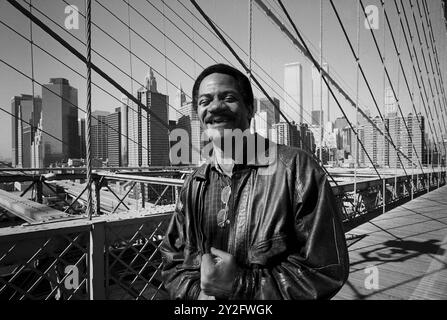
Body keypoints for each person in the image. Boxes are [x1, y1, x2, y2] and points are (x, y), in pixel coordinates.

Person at [160, 63, 349, 300]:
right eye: (204, 101)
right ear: (197, 114)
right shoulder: (194, 183)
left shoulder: (296, 169)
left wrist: (241, 286)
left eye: (228, 98)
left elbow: (325, 270)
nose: (215, 107)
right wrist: (197, 294)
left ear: (250, 109)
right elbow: (171, 258)